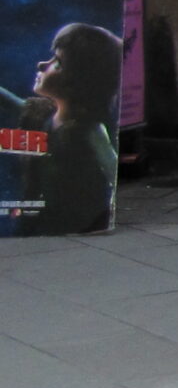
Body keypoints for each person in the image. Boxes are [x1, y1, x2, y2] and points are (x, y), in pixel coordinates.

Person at [0, 23, 122, 235]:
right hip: (39, 221)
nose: (41, 65)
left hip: (71, 223)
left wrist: (105, 214)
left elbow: (113, 172)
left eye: (57, 63)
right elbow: (8, 101)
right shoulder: (42, 114)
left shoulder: (88, 129)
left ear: (78, 80)